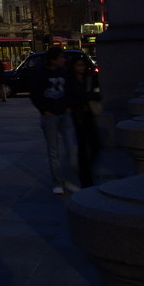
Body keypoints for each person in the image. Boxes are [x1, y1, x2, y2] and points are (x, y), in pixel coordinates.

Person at [30, 47, 77, 194]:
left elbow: (70, 89)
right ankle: (58, 182)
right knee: (53, 150)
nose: (64, 60)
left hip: (64, 112)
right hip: (50, 115)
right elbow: (35, 93)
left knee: (72, 149)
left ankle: (69, 179)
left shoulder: (64, 72)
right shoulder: (40, 73)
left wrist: (69, 106)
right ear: (53, 59)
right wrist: (44, 110)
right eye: (61, 57)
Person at [70, 56, 101, 188]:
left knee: (94, 146)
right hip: (77, 117)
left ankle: (85, 171)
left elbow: (98, 94)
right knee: (82, 148)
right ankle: (85, 178)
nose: (81, 68)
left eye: (82, 65)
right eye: (78, 65)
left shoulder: (90, 79)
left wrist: (91, 96)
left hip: (89, 115)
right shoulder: (70, 81)